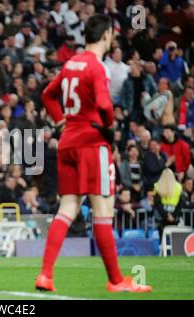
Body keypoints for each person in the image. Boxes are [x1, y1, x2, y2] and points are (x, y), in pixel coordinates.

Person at [36, 14, 151, 293]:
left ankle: (46, 275)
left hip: (68, 140)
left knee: (68, 207)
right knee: (102, 211)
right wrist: (110, 129)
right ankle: (115, 281)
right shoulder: (97, 67)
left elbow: (47, 95)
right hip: (91, 143)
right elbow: (104, 104)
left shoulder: (71, 63)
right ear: (106, 36)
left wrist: (61, 120)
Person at [153, 168, 183, 239]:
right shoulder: (179, 187)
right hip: (173, 216)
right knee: (174, 238)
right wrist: (173, 215)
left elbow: (157, 203)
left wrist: (166, 215)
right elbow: (180, 204)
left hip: (161, 216)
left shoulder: (157, 186)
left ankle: (162, 248)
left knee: (162, 238)